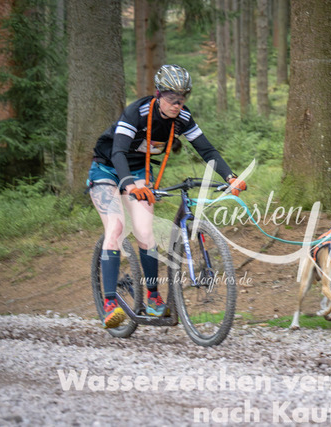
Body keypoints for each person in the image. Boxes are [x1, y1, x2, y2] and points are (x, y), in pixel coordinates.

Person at [87, 64, 246, 329]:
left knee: (145, 231)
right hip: (107, 168)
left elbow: (207, 150)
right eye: (172, 99)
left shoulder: (183, 118)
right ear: (159, 94)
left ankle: (153, 297)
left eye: (182, 99)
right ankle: (110, 303)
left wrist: (230, 176)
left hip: (139, 169)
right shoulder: (137, 113)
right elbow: (118, 152)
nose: (177, 105)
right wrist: (129, 186)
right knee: (115, 227)